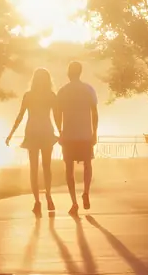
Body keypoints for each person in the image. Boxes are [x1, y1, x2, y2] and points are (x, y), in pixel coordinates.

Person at [6, 68, 58, 215]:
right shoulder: (51, 95)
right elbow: (57, 115)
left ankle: (37, 201)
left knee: (33, 169)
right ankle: (48, 195)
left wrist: (11, 134)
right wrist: (61, 132)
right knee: (47, 167)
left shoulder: (28, 95)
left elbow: (20, 115)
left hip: (32, 132)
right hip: (46, 131)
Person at [55, 60, 98, 216]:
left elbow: (57, 113)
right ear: (80, 72)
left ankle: (74, 202)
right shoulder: (88, 89)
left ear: (69, 73)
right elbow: (94, 112)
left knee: (69, 169)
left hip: (69, 135)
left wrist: (60, 130)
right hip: (85, 134)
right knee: (87, 164)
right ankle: (86, 192)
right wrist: (94, 132)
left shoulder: (63, 91)